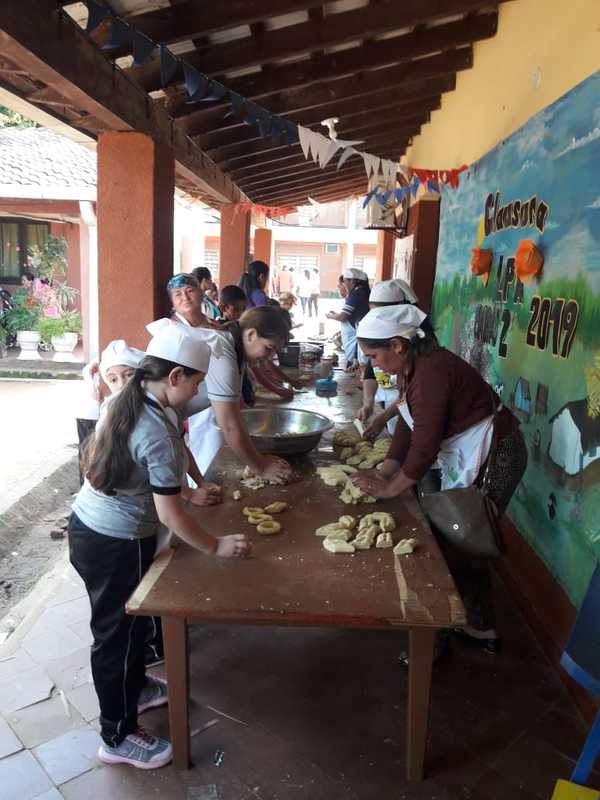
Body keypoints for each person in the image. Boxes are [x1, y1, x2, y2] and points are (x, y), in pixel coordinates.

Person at [69, 324, 252, 771]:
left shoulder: (131, 396)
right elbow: (170, 515)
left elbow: (160, 482)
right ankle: (117, 735)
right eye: (195, 382)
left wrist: (191, 492)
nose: (196, 392)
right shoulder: (154, 427)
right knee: (117, 638)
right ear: (174, 377)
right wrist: (216, 547)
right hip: (114, 542)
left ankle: (137, 690)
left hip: (92, 527)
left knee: (128, 628)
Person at [352, 305, 528, 658]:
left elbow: (426, 442)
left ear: (398, 345)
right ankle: (472, 623)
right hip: (474, 450)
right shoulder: (414, 365)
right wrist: (388, 468)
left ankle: (454, 632)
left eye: (374, 355)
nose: (374, 364)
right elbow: (408, 420)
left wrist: (392, 486)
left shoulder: (432, 371)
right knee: (454, 540)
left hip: (496, 454)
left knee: (464, 539)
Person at [150, 303, 295, 483]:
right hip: (157, 427)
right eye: (268, 348)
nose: (268, 357)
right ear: (251, 335)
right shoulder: (223, 352)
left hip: (171, 425)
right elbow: (229, 424)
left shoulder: (235, 349)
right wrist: (262, 466)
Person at [357, 279, 434, 438]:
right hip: (396, 406)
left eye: (380, 314)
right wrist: (368, 403)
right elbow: (372, 372)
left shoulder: (423, 365)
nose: (374, 362)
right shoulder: (382, 346)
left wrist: (384, 416)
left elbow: (424, 439)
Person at [75, 340, 145, 486]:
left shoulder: (153, 410)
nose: (121, 384)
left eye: (129, 375)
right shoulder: (108, 411)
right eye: (113, 380)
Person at [326, 267, 370, 368]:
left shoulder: (357, 293)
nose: (344, 285)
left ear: (353, 281)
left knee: (366, 369)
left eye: (345, 281)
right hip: (358, 342)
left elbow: (343, 316)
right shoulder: (362, 292)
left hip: (358, 340)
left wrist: (331, 316)